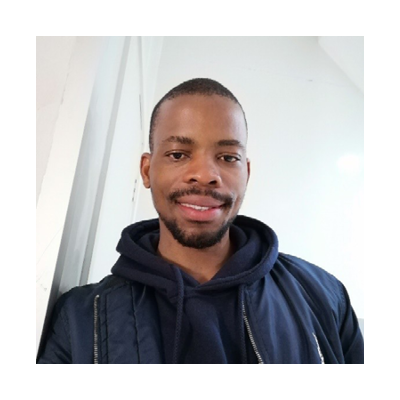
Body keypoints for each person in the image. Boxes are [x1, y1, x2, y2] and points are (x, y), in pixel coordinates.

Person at [37, 78, 364, 364]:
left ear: (246, 173)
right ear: (147, 171)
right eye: (178, 154)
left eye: (228, 157)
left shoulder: (323, 295)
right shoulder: (81, 319)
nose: (206, 175)